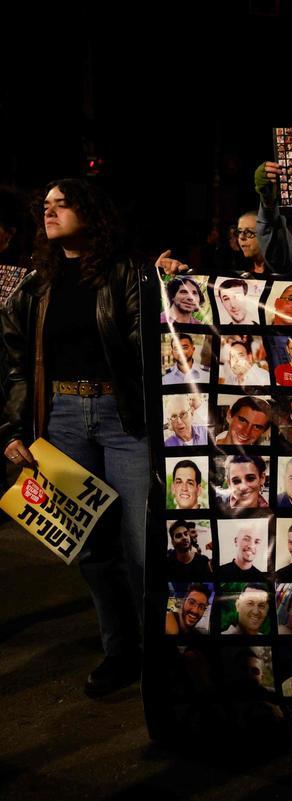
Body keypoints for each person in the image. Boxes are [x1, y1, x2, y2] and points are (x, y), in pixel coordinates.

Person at [0, 178, 154, 696]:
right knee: (90, 547)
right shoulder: (34, 285)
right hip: (63, 418)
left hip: (123, 419)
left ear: (93, 211)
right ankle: (120, 651)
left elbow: (149, 351)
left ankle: (160, 653)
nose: (50, 212)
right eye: (45, 205)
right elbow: (18, 366)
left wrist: (171, 278)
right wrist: (13, 430)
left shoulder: (128, 273)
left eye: (62, 204)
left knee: (140, 545)